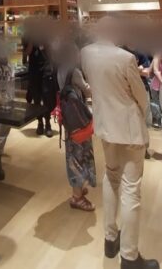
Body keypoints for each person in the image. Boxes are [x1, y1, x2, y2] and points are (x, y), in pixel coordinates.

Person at [81, 19, 159, 269]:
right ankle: (129, 255)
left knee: (111, 177)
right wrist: (143, 116)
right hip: (129, 129)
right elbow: (141, 96)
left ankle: (110, 237)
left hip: (105, 127)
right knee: (131, 189)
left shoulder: (86, 53)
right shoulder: (125, 58)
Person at [56, 38, 96, 212]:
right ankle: (77, 196)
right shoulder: (75, 71)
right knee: (79, 154)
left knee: (72, 153)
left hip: (68, 118)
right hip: (79, 118)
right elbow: (88, 90)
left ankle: (78, 188)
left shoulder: (60, 68)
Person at [23, 26, 57, 137]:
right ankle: (40, 123)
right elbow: (26, 53)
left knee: (47, 98)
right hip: (34, 71)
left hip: (45, 70)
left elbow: (51, 53)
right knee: (36, 98)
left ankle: (48, 123)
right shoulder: (27, 36)